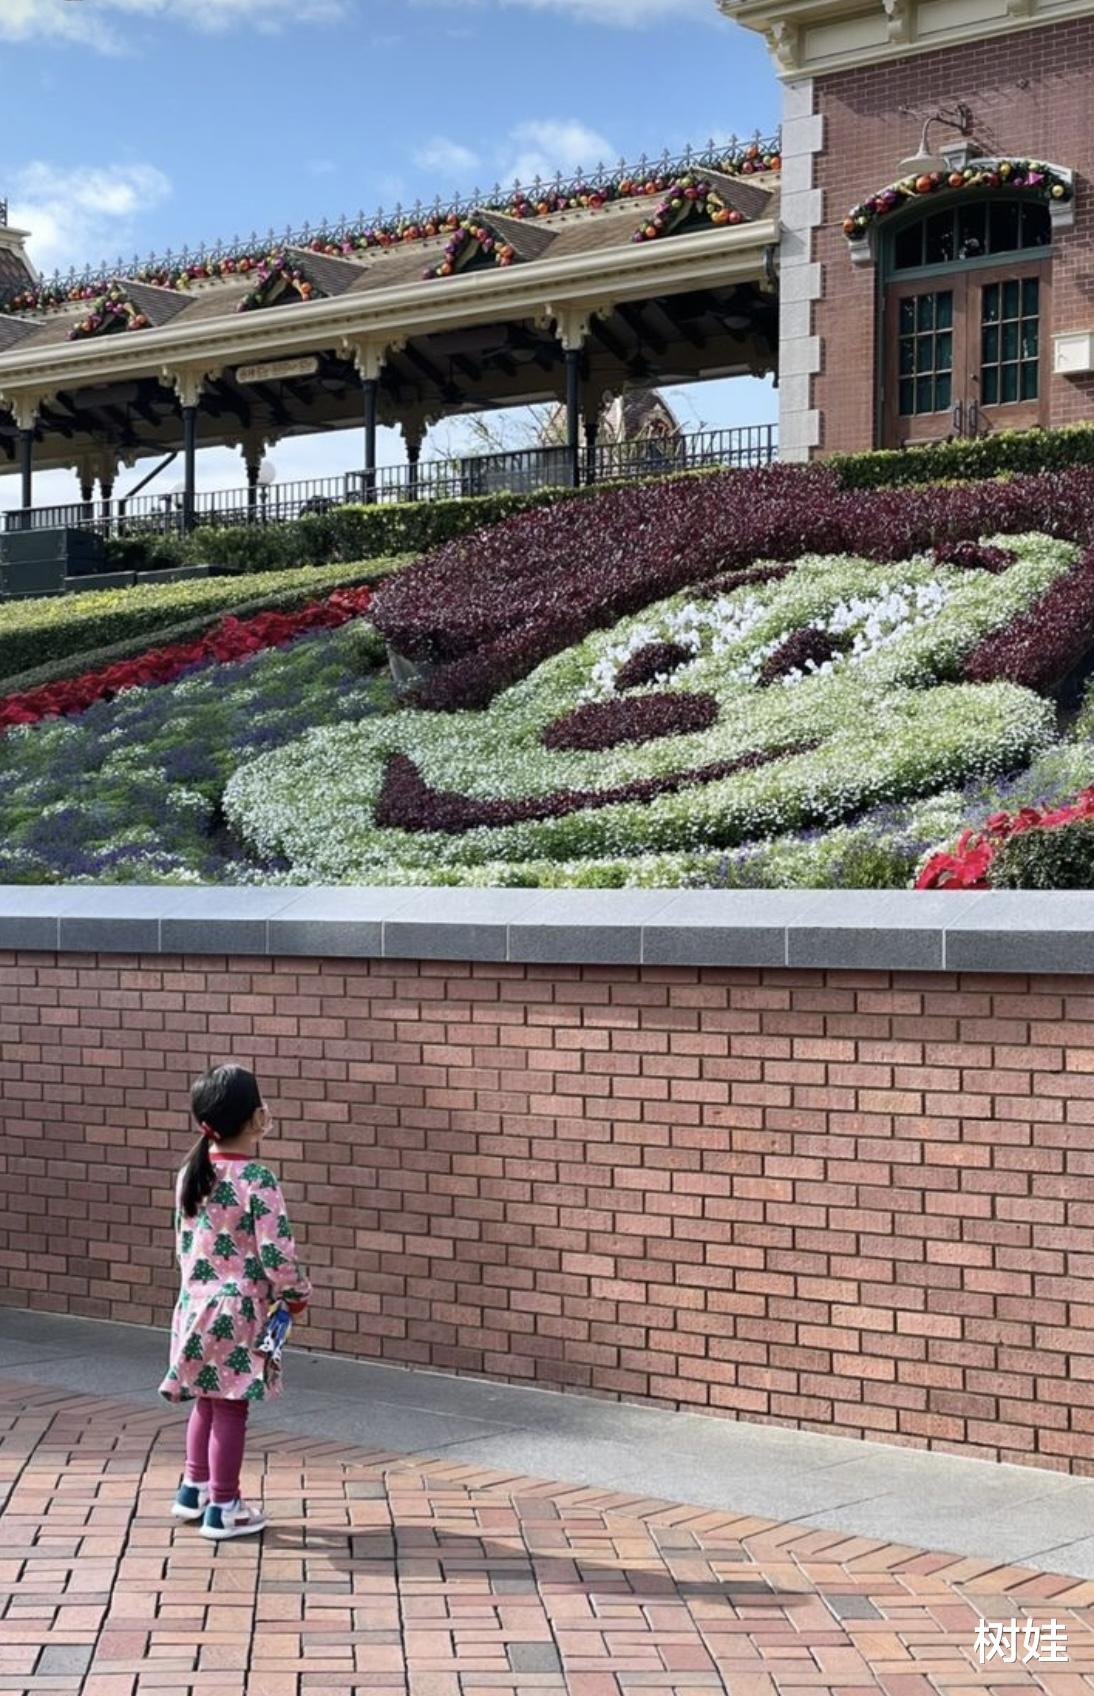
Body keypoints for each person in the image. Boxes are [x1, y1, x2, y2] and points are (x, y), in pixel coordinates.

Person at [158, 1064, 311, 1541]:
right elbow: (275, 1250)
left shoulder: (191, 1172)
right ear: (256, 1118)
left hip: (194, 1304)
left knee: (205, 1398)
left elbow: (184, 1243)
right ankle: (224, 1506)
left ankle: (193, 1488)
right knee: (231, 1406)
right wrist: (296, 1292)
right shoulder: (257, 1179)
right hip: (238, 1309)